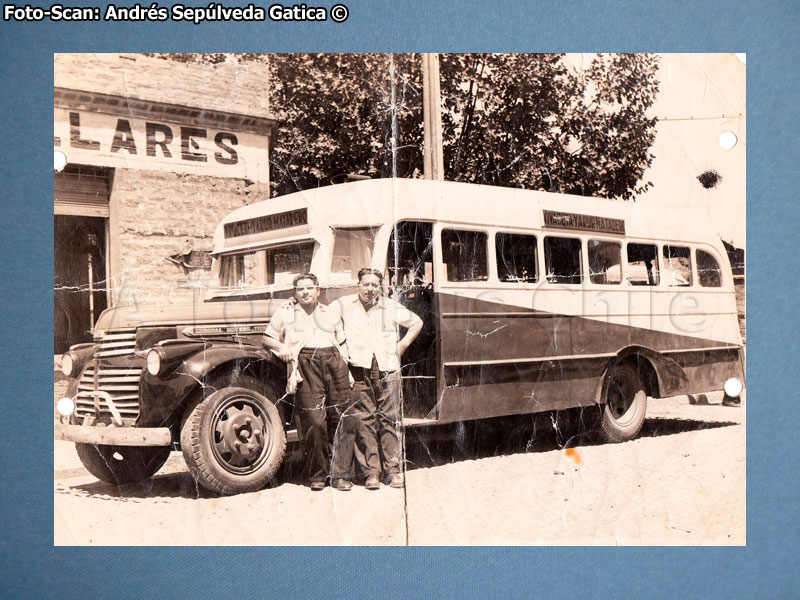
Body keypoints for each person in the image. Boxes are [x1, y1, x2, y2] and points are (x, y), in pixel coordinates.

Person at [262, 273, 356, 491]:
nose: (305, 292)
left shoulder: (330, 312)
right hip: (305, 364)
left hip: (334, 362)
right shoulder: (286, 312)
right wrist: (282, 348)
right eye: (300, 289)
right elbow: (267, 338)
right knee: (313, 421)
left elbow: (341, 342)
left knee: (342, 417)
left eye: (310, 288)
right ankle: (317, 474)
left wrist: (347, 370)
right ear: (295, 293)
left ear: (318, 291)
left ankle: (341, 475)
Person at [335, 268, 423, 489]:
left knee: (389, 419)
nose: (370, 289)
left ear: (380, 287)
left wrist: (402, 345)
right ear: (358, 285)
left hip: (387, 368)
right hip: (358, 369)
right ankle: (370, 473)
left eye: (375, 285)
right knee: (363, 421)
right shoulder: (344, 305)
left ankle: (392, 472)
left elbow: (417, 322)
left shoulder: (390, 306)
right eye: (366, 284)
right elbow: (320, 315)